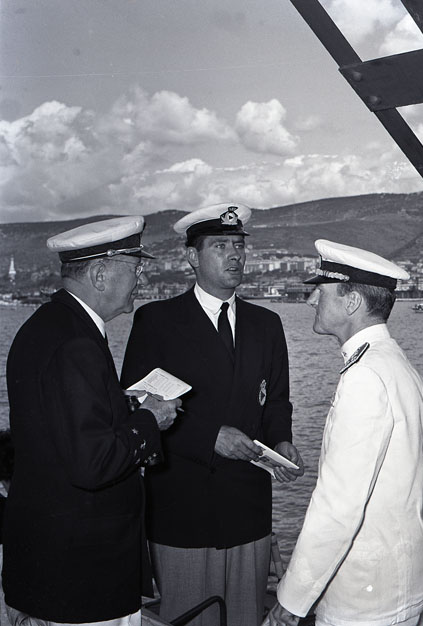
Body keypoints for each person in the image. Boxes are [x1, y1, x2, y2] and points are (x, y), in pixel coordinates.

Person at [120, 203, 304, 626]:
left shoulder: (267, 324)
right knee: (190, 617)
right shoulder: (157, 321)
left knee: (243, 617)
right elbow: (136, 406)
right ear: (192, 257)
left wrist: (281, 440)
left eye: (239, 245)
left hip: (248, 508)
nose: (234, 254)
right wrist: (209, 436)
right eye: (220, 246)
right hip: (183, 510)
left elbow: (277, 400)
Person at [2, 216, 182, 626]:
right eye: (135, 267)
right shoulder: (77, 343)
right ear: (100, 274)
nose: (141, 277)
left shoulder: (49, 326)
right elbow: (93, 462)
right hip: (84, 576)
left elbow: (61, 428)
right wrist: (151, 418)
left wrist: (122, 407)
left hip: (53, 563)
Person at [263, 239, 423, 626]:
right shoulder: (397, 364)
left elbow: (338, 507)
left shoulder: (364, 377)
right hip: (403, 580)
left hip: (365, 597)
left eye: (321, 292)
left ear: (352, 302)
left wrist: (290, 602)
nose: (311, 300)